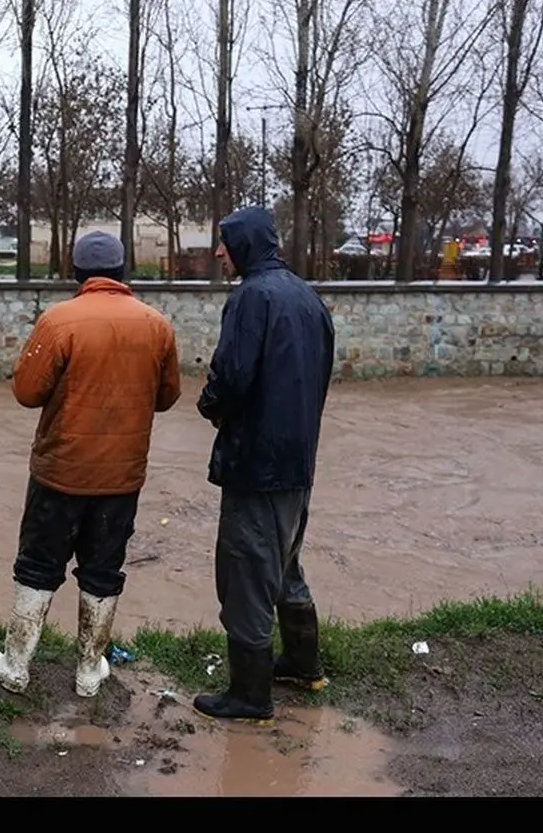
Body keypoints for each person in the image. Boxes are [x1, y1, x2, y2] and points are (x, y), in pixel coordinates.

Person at [0, 231, 182, 698]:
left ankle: (16, 664)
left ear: (77, 274)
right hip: (122, 477)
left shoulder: (58, 322)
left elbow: (27, 392)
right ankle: (90, 669)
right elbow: (168, 397)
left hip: (60, 472)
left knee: (37, 563)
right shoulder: (157, 326)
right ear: (122, 272)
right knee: (104, 568)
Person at [193, 205, 336, 725]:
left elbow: (231, 374)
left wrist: (210, 407)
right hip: (299, 460)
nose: (218, 252)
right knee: (285, 559)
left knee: (247, 570)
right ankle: (302, 662)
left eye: (225, 242)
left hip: (256, 462)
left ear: (246, 244)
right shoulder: (309, 298)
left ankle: (250, 695)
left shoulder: (250, 298)